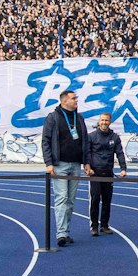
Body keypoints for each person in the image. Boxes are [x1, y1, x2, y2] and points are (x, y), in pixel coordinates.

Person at [41, 89, 85, 246]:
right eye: (74, 98)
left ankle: (66, 231)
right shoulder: (53, 117)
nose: (76, 101)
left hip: (75, 164)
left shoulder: (79, 118)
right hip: (60, 164)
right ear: (64, 101)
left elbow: (84, 141)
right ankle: (61, 234)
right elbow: (46, 140)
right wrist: (49, 163)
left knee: (70, 201)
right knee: (61, 198)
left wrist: (85, 162)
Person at [84, 112, 128, 236]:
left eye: (106, 120)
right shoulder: (91, 136)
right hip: (95, 174)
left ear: (110, 122)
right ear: (99, 122)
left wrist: (123, 168)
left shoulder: (114, 137)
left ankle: (104, 225)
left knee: (107, 200)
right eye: (102, 120)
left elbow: (120, 153)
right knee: (95, 199)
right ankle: (94, 226)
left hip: (108, 173)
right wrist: (87, 167)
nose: (104, 122)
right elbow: (86, 153)